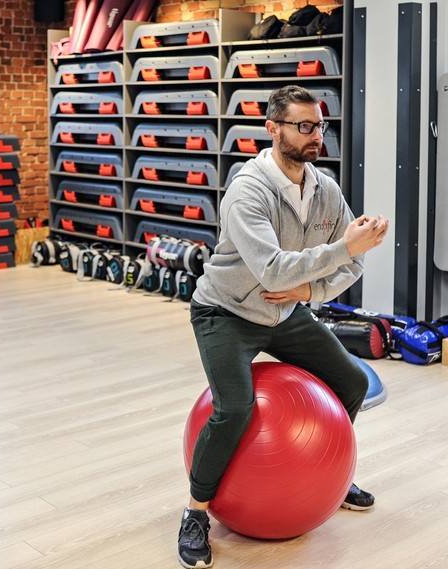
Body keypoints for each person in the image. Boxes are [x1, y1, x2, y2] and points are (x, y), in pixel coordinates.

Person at [177, 85, 389, 568]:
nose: (317, 136)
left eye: (320, 126)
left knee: (351, 381)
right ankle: (195, 513)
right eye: (305, 126)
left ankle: (329, 473)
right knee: (234, 408)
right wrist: (345, 250)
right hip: (226, 312)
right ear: (273, 129)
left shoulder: (324, 188)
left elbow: (350, 267)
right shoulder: (248, 190)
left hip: (286, 312)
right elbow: (273, 269)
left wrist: (310, 292)